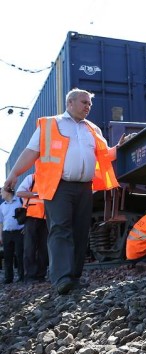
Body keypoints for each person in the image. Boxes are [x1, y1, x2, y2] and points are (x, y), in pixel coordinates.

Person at [3, 88, 122, 295]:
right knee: (60, 229)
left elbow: (103, 156)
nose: (88, 106)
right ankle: (62, 278)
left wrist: (119, 148)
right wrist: (14, 174)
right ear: (70, 103)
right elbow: (31, 152)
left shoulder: (92, 129)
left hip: (85, 187)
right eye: (84, 102)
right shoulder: (50, 124)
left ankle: (74, 277)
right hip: (59, 187)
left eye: (90, 104)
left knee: (80, 231)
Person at [16, 173, 48, 282]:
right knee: (30, 247)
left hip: (46, 218)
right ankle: (30, 276)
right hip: (32, 217)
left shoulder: (52, 178)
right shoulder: (32, 178)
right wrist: (37, 194)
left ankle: (40, 275)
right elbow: (19, 192)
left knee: (44, 248)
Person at [0, 187, 25, 284]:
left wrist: (26, 227)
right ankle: (8, 278)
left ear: (8, 192)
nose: (1, 194)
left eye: (2, 192)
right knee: (7, 256)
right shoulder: (2, 206)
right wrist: (0, 236)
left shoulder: (20, 201)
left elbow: (28, 214)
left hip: (19, 232)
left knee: (20, 255)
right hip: (7, 233)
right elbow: (1, 222)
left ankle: (22, 276)